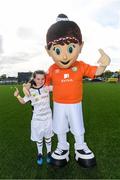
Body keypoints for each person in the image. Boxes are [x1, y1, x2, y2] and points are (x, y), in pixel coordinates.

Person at [14, 70, 53, 166]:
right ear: (34, 79)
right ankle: (40, 154)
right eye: (38, 79)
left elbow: (59, 87)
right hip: (37, 119)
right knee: (39, 139)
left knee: (48, 137)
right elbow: (23, 101)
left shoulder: (47, 88)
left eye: (42, 79)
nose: (40, 81)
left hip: (48, 118)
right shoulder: (30, 91)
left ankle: (49, 153)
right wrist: (17, 95)